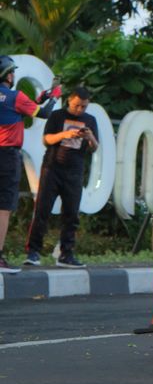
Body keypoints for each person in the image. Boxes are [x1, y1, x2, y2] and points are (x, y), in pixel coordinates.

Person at [24, 86, 98, 269]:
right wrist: (65, 134)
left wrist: (90, 137)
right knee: (42, 210)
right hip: (52, 168)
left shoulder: (90, 120)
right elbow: (46, 139)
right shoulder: (57, 116)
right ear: (69, 101)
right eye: (76, 105)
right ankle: (33, 251)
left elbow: (95, 147)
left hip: (75, 170)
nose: (79, 109)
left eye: (83, 106)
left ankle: (66, 253)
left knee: (71, 213)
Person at [0, 55, 60, 273]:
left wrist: (41, 98)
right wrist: (53, 97)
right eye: (12, 72)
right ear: (7, 75)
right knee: (3, 208)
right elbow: (43, 113)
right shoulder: (15, 96)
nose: (13, 75)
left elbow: (18, 109)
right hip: (7, 156)